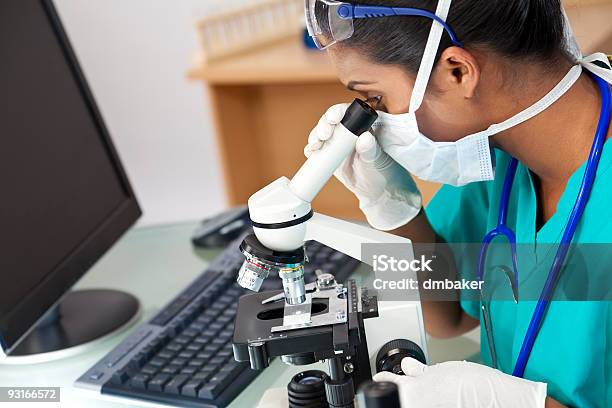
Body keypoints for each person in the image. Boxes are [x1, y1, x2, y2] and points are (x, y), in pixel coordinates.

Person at [305, 0, 612, 407]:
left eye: (375, 98)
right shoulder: (505, 160)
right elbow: (445, 316)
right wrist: (393, 207)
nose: (373, 123)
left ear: (457, 71)